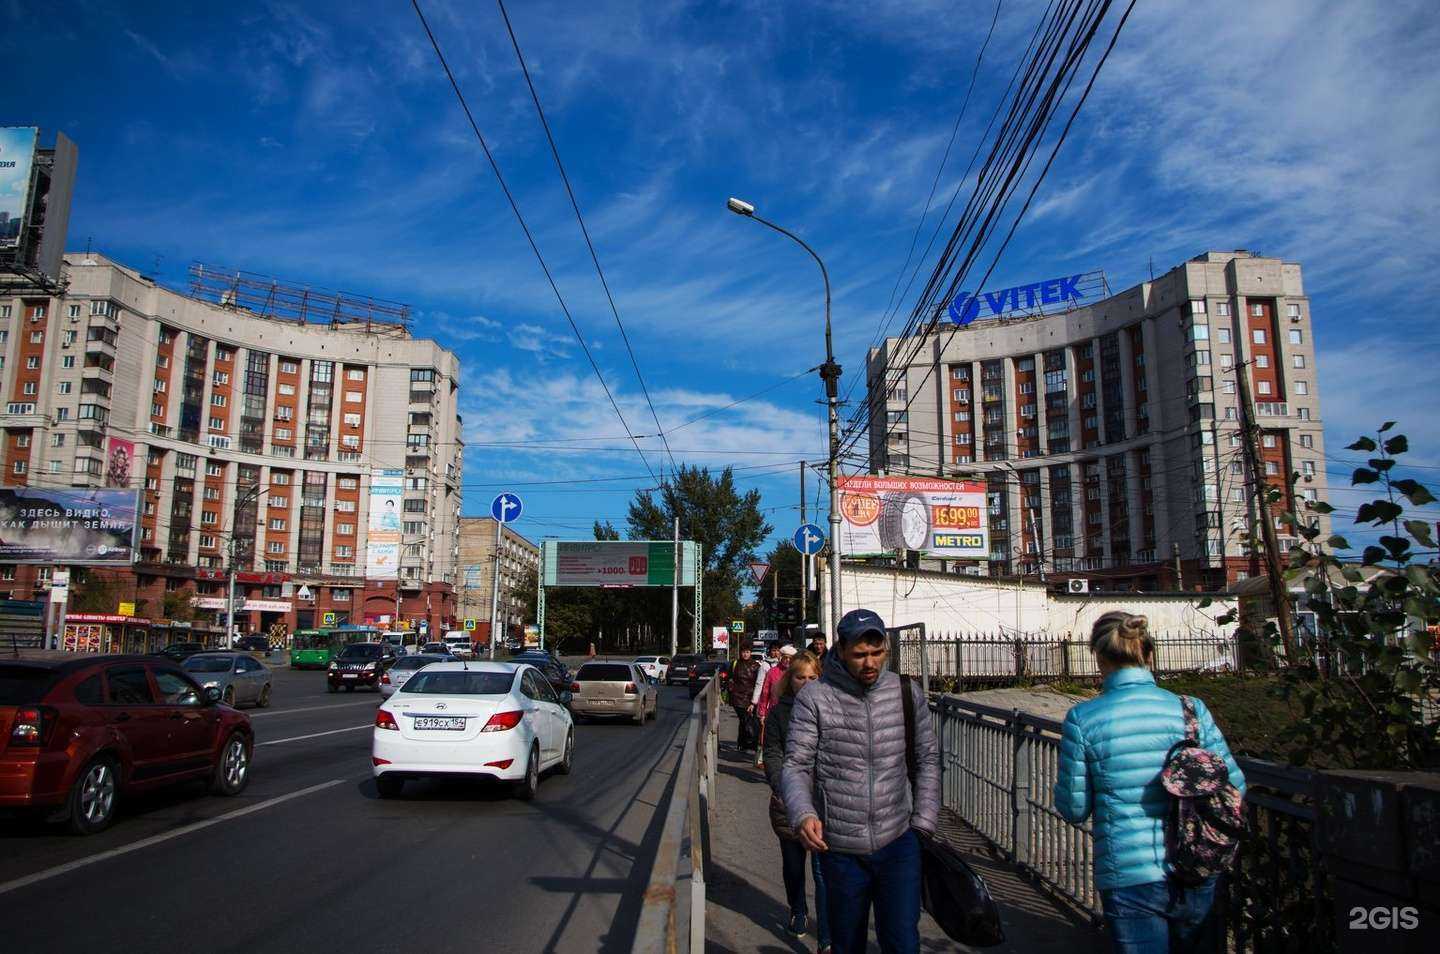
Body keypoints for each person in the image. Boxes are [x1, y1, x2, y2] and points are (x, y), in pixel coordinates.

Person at [1054, 612, 1246, 954]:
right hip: (1198, 866)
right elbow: (1234, 785)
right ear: (1149, 654)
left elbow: (1074, 808)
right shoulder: (1191, 710)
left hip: (1129, 874)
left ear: (1099, 659)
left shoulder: (1083, 719)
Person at [782, 608, 940, 954]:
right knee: (847, 944)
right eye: (860, 655)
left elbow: (928, 760)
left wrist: (923, 823)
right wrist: (803, 814)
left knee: (902, 943)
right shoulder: (815, 697)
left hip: (899, 842)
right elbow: (796, 765)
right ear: (840, 651)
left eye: (876, 653)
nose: (870, 663)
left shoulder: (905, 693)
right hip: (840, 849)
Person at [764, 650, 831, 952]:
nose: (806, 683)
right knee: (794, 866)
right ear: (790, 680)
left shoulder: (830, 708)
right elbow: (773, 754)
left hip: (825, 804)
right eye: (800, 677)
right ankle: (798, 909)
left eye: (812, 677)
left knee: (824, 873)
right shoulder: (779, 713)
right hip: (789, 804)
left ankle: (828, 936)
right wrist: (784, 788)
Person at [753, 644, 796, 768]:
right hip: (774, 712)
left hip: (792, 713)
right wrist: (762, 713)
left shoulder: (796, 673)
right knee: (775, 741)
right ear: (781, 657)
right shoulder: (772, 672)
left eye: (790, 658)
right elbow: (765, 693)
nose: (787, 660)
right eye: (785, 657)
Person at [728, 644, 764, 752]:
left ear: (750, 653)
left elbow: (759, 682)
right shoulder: (735, 664)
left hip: (751, 697)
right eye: (743, 652)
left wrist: (755, 699)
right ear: (740, 653)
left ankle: (743, 743)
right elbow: (729, 678)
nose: (745, 654)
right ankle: (748, 743)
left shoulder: (756, 666)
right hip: (737, 697)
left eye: (747, 652)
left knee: (746, 720)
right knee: (745, 719)